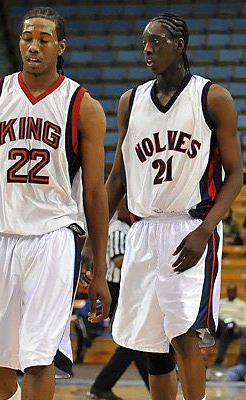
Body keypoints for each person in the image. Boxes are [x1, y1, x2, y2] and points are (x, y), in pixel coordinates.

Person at [0, 6, 111, 400]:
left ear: (61, 46)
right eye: (27, 37)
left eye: (43, 38)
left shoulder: (82, 106)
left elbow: (94, 192)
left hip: (54, 238)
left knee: (40, 356)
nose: (33, 45)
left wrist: (100, 262)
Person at [97, 12, 242, 400]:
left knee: (183, 335)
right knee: (150, 344)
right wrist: (91, 240)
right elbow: (116, 179)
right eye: (145, 42)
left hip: (190, 226)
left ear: (180, 45)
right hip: (142, 229)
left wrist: (205, 230)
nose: (147, 49)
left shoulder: (213, 97)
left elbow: (236, 175)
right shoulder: (131, 101)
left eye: (156, 41)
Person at [88, 198, 150, 400]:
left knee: (134, 342)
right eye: (126, 205)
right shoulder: (116, 229)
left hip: (128, 288)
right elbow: (119, 261)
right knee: (132, 342)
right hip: (116, 289)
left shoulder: (130, 227)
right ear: (120, 207)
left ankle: (102, 387)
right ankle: (100, 387)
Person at [214, 284, 246, 365]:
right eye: (229, 291)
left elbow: (245, 323)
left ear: (236, 292)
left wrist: (236, 323)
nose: (231, 293)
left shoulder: (242, 305)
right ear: (227, 292)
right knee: (222, 324)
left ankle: (220, 358)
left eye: (233, 291)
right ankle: (219, 358)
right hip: (220, 326)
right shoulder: (220, 303)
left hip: (235, 329)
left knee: (229, 327)